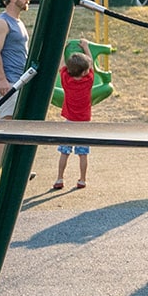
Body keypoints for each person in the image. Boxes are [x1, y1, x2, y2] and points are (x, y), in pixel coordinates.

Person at [52, 46, 95, 190]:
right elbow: (92, 64)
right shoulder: (88, 80)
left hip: (69, 121)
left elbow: (61, 66)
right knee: (83, 154)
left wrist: (63, 49)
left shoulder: (66, 79)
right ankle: (82, 180)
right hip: (84, 123)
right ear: (84, 72)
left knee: (64, 151)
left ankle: (59, 178)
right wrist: (86, 47)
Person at [0, 0, 32, 117]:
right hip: (10, 82)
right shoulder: (1, 22)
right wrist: (2, 80)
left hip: (20, 80)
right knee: (8, 126)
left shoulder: (18, 22)